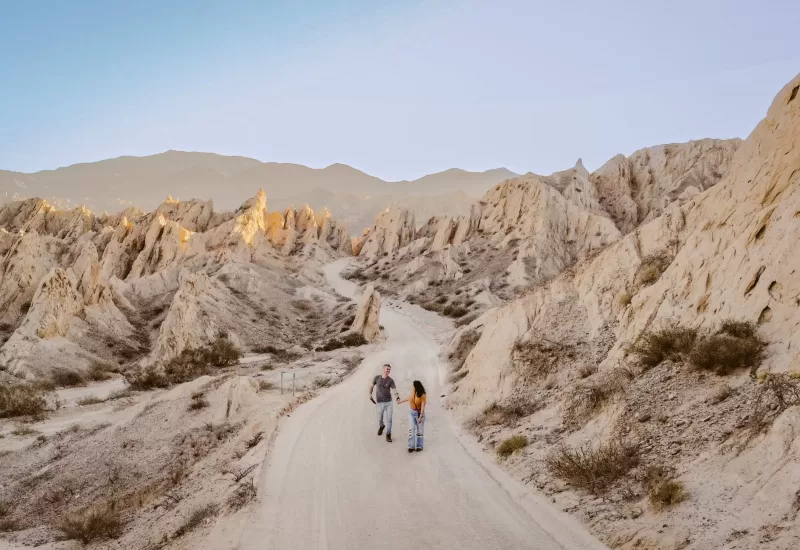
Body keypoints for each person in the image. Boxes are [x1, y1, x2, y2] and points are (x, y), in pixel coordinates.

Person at [369, 364, 399, 442]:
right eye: (387, 369)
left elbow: (394, 389)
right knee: (380, 418)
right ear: (383, 369)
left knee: (389, 419)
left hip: (389, 402)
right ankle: (382, 426)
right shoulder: (376, 378)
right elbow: (371, 386)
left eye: (389, 369)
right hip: (379, 403)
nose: (388, 371)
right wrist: (370, 394)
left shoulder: (391, 380)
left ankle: (388, 434)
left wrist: (397, 397)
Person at [398, 380, 426, 453]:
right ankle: (411, 446)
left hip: (419, 413)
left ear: (416, 386)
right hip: (411, 413)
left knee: (419, 431)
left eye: (413, 386)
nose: (412, 387)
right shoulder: (413, 392)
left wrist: (420, 417)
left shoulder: (422, 395)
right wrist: (400, 401)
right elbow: (409, 398)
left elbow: (423, 406)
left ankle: (419, 446)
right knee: (411, 429)